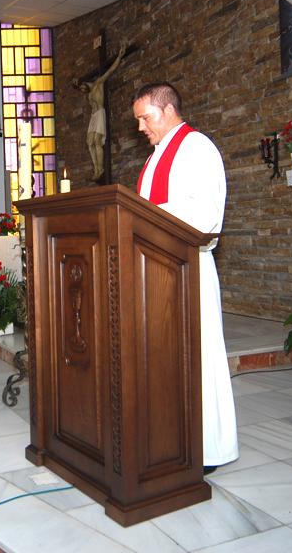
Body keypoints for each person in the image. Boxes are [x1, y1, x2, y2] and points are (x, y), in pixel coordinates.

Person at [132, 82, 238, 473]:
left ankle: (207, 448)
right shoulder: (156, 158)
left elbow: (206, 216)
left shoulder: (197, 148)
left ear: (168, 109)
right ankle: (171, 440)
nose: (141, 127)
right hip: (158, 271)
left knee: (199, 358)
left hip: (189, 268)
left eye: (145, 118)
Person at [72, 42, 127, 181]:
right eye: (81, 89)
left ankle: (100, 168)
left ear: (86, 83)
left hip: (100, 113)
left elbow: (110, 71)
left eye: (82, 88)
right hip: (93, 117)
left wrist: (119, 57)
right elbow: (78, 86)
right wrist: (75, 82)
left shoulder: (99, 83)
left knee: (97, 141)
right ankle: (96, 168)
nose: (82, 90)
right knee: (89, 142)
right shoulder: (89, 95)